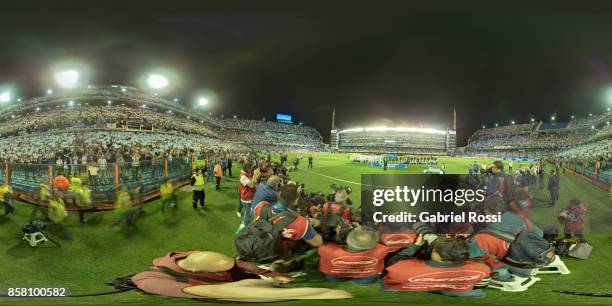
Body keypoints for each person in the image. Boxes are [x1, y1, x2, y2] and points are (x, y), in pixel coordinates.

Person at [131, 251, 293, 299]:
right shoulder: (154, 280)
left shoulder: (191, 256)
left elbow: (238, 265)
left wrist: (269, 273)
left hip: (235, 282)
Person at [384, 236, 491, 297]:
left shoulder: (400, 268)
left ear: (436, 253)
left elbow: (394, 259)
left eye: (434, 249)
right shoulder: (482, 269)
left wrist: (416, 245)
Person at [252, 185, 323, 253]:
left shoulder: (261, 206)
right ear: (296, 200)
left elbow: (256, 222)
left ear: (279, 195)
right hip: (276, 254)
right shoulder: (300, 223)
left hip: (257, 244)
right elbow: (318, 242)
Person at [317, 228, 388, 284]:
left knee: (333, 278)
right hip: (366, 274)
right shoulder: (380, 250)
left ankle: (336, 281)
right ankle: (362, 282)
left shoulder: (328, 250)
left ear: (347, 240)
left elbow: (321, 246)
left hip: (335, 273)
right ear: (372, 245)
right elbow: (380, 246)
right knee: (367, 280)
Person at [237, 163, 259, 231]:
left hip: (249, 197)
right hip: (247, 198)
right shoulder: (243, 176)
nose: (251, 170)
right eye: (251, 168)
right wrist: (255, 174)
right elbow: (251, 185)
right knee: (247, 213)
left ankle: (245, 223)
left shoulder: (246, 174)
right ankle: (244, 224)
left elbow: (254, 182)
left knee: (248, 212)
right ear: (247, 168)